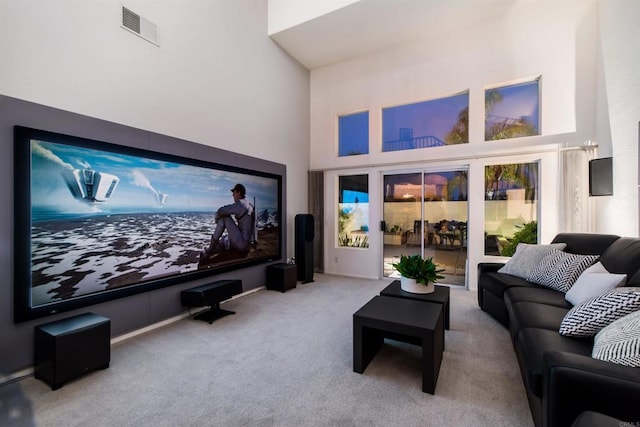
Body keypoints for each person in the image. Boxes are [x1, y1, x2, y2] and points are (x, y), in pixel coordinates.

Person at [202, 183, 253, 258]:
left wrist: (216, 216)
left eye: (234, 192)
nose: (233, 195)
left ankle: (211, 247)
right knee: (225, 238)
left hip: (242, 243)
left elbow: (222, 211)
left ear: (239, 192)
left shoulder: (241, 204)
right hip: (247, 242)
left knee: (224, 218)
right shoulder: (248, 204)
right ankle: (216, 247)